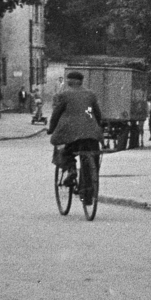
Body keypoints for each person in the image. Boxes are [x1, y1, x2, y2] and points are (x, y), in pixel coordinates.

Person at [48, 71, 104, 203]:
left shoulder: (64, 95)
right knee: (91, 158)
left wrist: (51, 128)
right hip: (91, 133)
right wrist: (94, 125)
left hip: (70, 132)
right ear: (81, 82)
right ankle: (88, 194)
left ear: (69, 82)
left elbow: (56, 114)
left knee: (62, 150)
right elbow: (94, 113)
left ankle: (71, 169)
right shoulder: (90, 95)